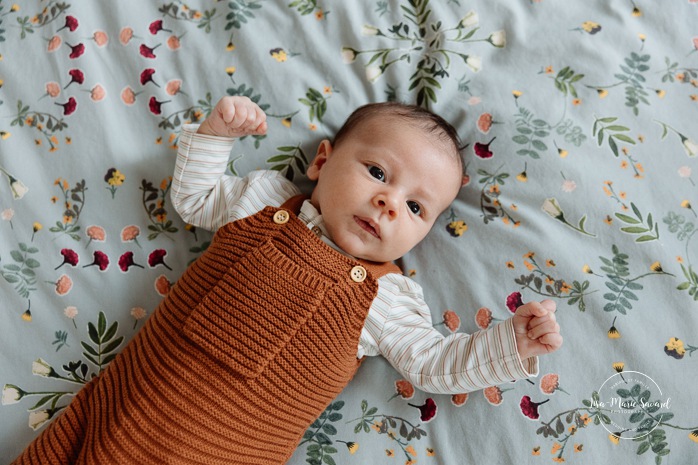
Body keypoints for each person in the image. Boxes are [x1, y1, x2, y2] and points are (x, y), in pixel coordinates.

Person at [12, 96, 562, 465]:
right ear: (322, 161)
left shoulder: (388, 299)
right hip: (118, 409)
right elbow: (195, 198)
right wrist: (214, 137)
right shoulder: (262, 200)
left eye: (416, 207)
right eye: (377, 173)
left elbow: (438, 365)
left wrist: (509, 345)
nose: (388, 202)